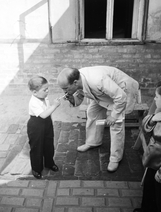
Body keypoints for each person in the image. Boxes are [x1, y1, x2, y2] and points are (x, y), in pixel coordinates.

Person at [57, 66, 140, 172]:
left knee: (116, 124)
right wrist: (72, 98)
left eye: (65, 88)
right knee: (92, 112)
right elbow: (79, 98)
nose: (64, 91)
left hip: (122, 90)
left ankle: (115, 158)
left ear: (75, 82)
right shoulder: (79, 80)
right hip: (103, 93)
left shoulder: (97, 80)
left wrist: (113, 115)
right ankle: (93, 142)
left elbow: (120, 97)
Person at [133, 83, 161, 212]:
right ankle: (146, 208)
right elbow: (145, 126)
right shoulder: (158, 113)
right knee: (149, 185)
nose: (154, 99)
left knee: (157, 190)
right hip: (153, 160)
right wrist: (153, 118)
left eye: (156, 96)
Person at [27, 76, 60, 179]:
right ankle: (36, 168)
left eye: (47, 88)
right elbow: (43, 115)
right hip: (36, 125)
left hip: (46, 123)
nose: (47, 91)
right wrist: (54, 106)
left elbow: (47, 111)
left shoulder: (43, 96)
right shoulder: (34, 102)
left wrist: (52, 107)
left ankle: (49, 163)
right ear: (34, 92)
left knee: (49, 144)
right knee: (37, 147)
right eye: (44, 90)